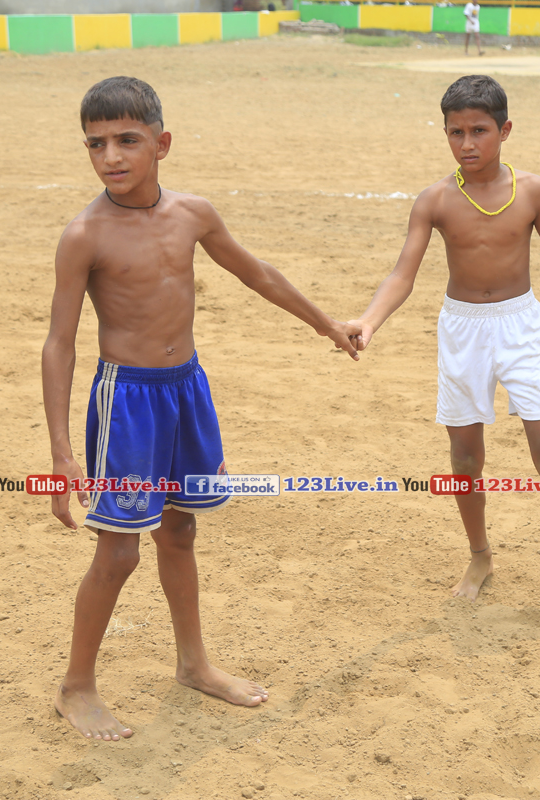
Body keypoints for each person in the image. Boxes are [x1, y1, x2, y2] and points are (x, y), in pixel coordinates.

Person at [42, 76, 360, 741]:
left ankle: (193, 664)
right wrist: (62, 451)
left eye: (127, 140)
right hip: (127, 402)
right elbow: (59, 344)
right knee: (119, 554)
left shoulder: (194, 214)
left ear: (161, 144)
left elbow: (258, 273)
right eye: (96, 144)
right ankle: (76, 686)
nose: (111, 157)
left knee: (180, 532)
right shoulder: (84, 235)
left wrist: (326, 324)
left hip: (186, 390)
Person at [347, 75, 540, 624]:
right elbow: (403, 273)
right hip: (463, 330)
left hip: (521, 328)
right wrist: (369, 321)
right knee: (465, 458)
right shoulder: (434, 200)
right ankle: (479, 555)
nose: (467, 143)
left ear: (505, 130)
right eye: (456, 132)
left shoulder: (534, 192)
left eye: (479, 131)